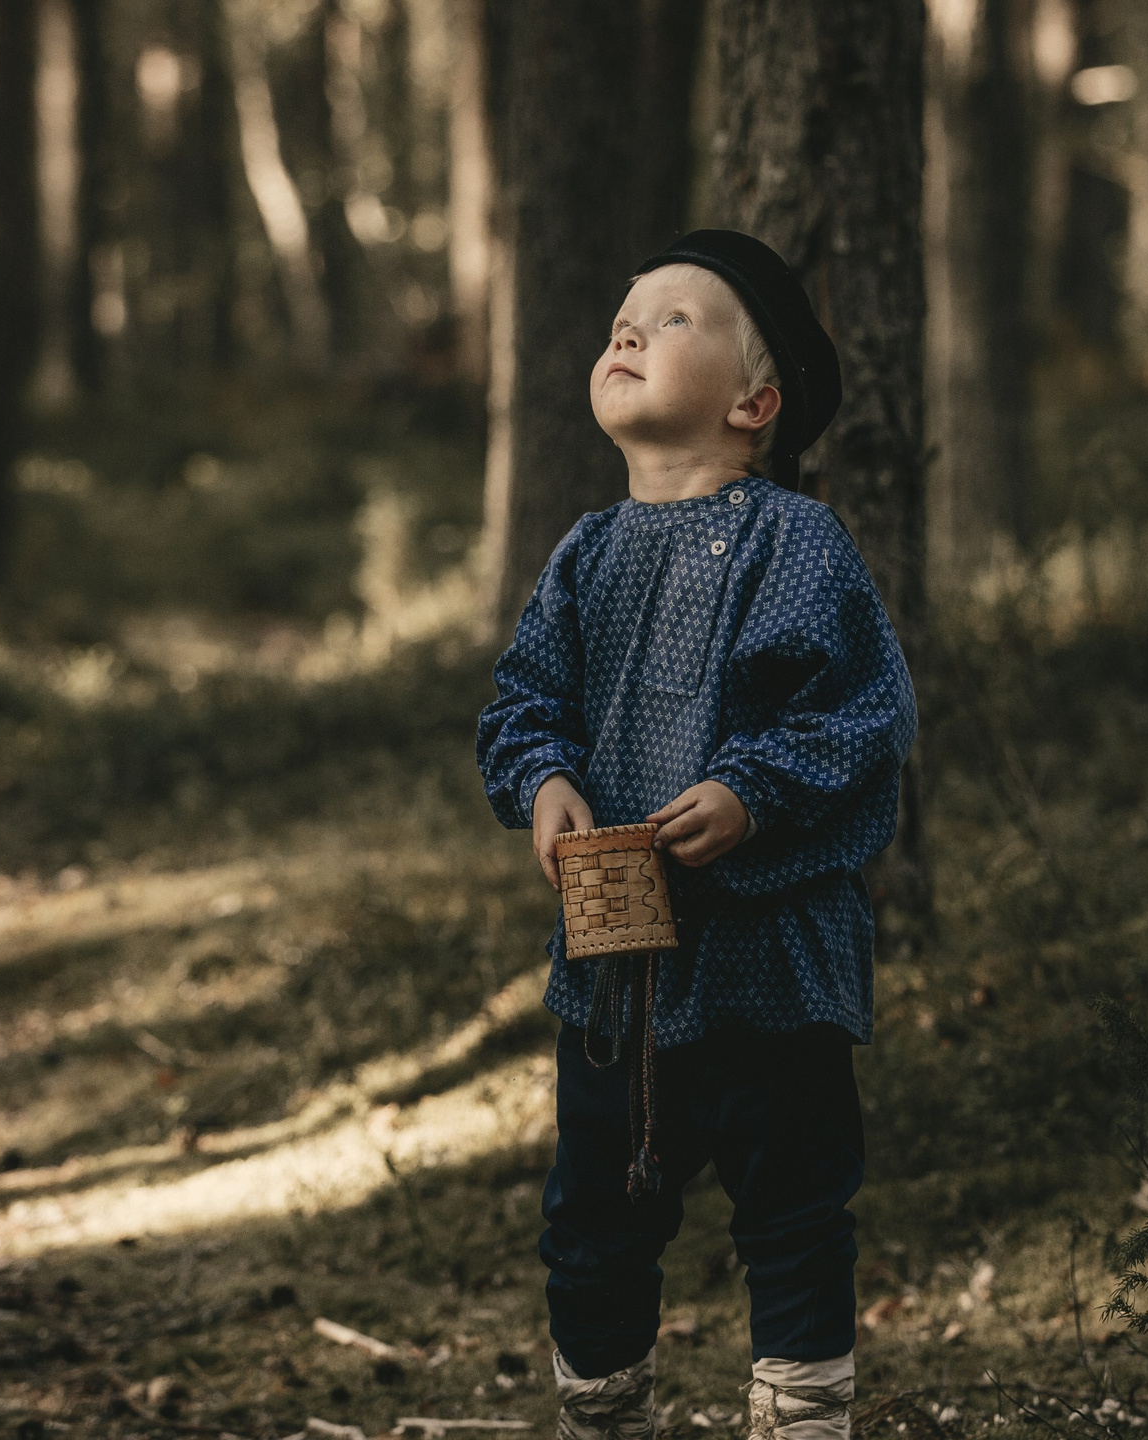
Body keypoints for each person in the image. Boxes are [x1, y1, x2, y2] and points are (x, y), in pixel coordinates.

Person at [476, 230, 916, 1440]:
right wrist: (546, 781)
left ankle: (799, 1423)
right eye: (624, 315)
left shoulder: (795, 542)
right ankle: (603, 1418)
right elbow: (521, 701)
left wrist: (753, 790)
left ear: (752, 402)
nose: (629, 328)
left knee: (794, 1217)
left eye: (673, 319)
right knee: (593, 1222)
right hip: (616, 980)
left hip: (773, 969)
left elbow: (866, 713)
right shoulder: (585, 553)